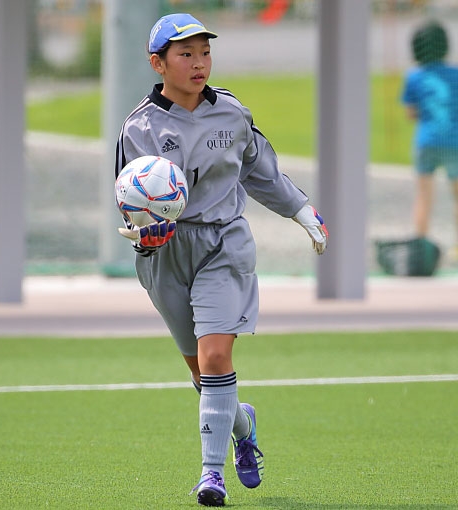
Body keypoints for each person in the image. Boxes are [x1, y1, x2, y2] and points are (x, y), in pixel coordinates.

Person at [114, 13, 329, 507]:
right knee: (202, 372)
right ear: (157, 63)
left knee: (215, 357)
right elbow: (130, 199)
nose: (199, 63)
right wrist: (145, 238)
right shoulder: (139, 127)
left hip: (223, 244)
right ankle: (242, 425)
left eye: (205, 53)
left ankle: (211, 476)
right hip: (166, 255)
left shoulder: (232, 114)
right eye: (186, 54)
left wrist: (302, 211)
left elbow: (262, 171)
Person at [401, 20, 458, 264]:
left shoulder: (414, 77)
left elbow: (410, 113)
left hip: (427, 140)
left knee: (424, 196)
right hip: (454, 141)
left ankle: (421, 245)